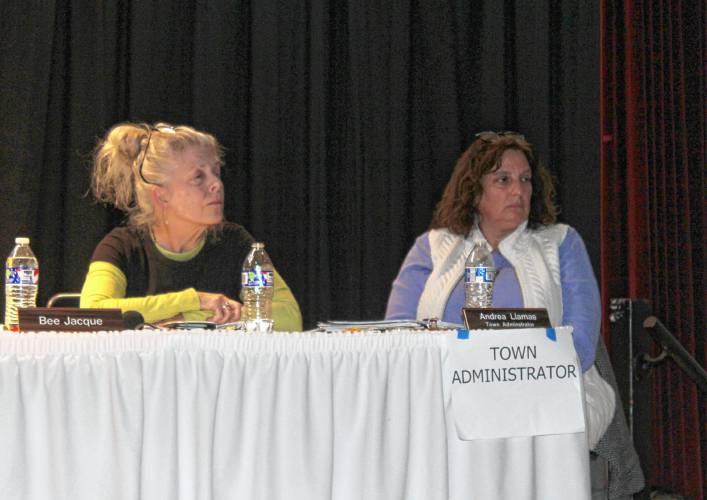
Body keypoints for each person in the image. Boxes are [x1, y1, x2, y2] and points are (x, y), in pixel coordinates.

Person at [385, 131, 600, 371]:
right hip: (445, 392)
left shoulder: (562, 243)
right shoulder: (432, 247)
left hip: (540, 391)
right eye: (504, 180)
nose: (518, 191)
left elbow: (580, 343)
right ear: (474, 192)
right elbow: (397, 338)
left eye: (526, 179)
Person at [80, 122, 302, 331]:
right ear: (161, 195)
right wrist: (196, 300)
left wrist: (188, 320)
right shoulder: (121, 246)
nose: (217, 184)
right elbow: (92, 314)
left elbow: (289, 316)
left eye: (216, 172)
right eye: (198, 177)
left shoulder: (238, 243)